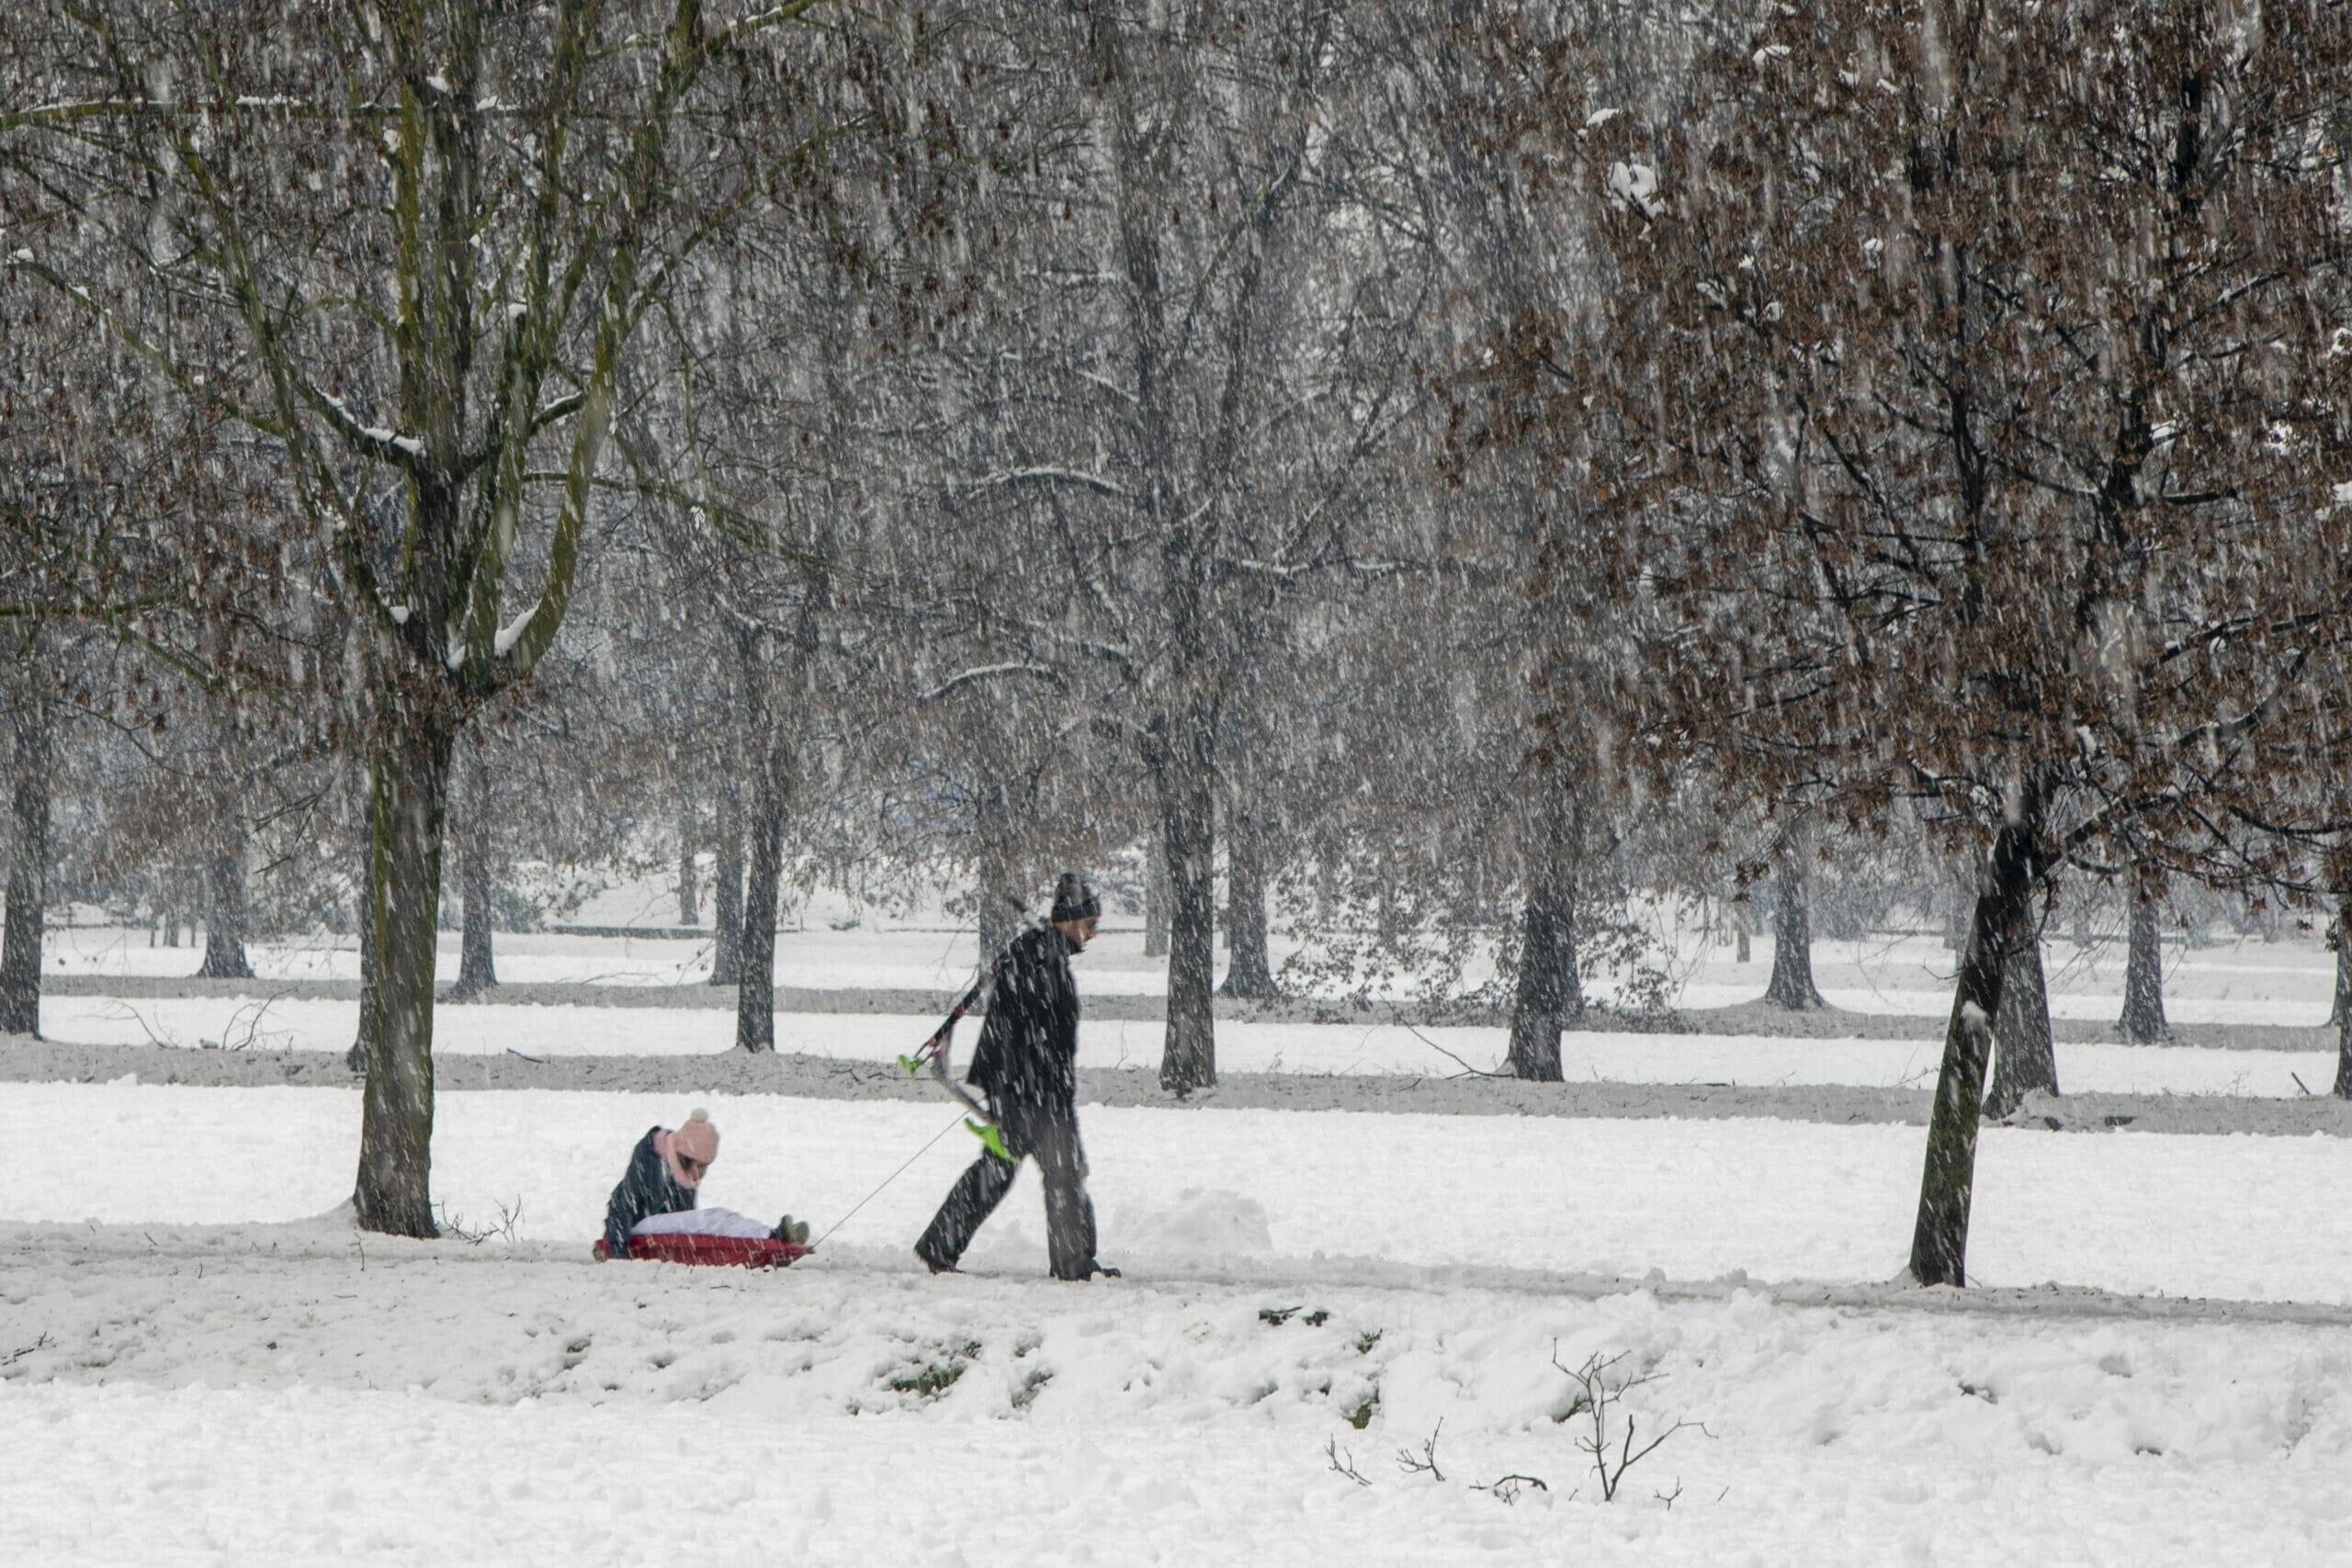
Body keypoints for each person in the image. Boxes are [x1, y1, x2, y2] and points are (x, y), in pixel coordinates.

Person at [915, 873, 1117, 1280]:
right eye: (1090, 924)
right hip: (1030, 1088)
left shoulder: (1042, 953)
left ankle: (941, 1245)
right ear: (1069, 920)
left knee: (1007, 1168)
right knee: (1061, 1172)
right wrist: (1030, 1085)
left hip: (1027, 1085)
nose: (1093, 934)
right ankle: (1073, 1264)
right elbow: (1026, 1027)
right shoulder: (1039, 957)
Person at [601, 1109, 809, 1258]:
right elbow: (624, 1203)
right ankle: (772, 1236)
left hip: (656, 1227)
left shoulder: (678, 1167)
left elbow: (686, 1216)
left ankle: (772, 1235)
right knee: (714, 1218)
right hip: (633, 1229)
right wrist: (618, 1251)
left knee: (717, 1218)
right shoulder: (649, 1162)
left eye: (705, 1167)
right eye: (699, 1166)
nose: (701, 1173)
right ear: (685, 1157)